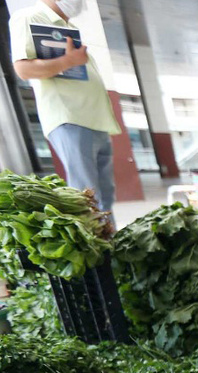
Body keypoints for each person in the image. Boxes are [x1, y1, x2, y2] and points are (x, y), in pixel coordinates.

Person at [9, 0, 121, 216]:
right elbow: (23, 69)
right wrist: (68, 61)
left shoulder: (67, 27)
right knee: (87, 196)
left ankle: (110, 245)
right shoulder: (29, 17)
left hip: (95, 119)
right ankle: (98, 248)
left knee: (105, 195)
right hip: (71, 117)